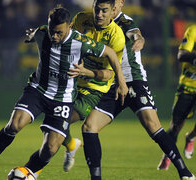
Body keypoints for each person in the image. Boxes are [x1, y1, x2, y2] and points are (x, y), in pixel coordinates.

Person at [0, 5, 127, 177]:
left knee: (51, 148)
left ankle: (29, 172)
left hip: (63, 99)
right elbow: (37, 33)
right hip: (38, 89)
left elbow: (112, 54)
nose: (54, 36)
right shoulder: (42, 33)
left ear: (69, 27)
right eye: (52, 31)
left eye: (59, 33)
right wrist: (32, 36)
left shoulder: (81, 43)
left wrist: (121, 82)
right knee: (15, 124)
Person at [81, 1, 196, 180]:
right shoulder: (94, 22)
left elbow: (135, 34)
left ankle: (185, 172)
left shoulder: (126, 22)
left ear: (117, 5)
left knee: (153, 127)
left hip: (134, 81)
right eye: (99, 9)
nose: (102, 13)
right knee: (89, 127)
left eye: (109, 7)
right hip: (113, 85)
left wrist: (139, 40)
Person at [60, 0, 126, 172]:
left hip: (93, 88)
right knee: (54, 121)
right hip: (72, 80)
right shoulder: (82, 19)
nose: (99, 15)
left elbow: (108, 75)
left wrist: (85, 72)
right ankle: (71, 145)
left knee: (61, 121)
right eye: (97, 10)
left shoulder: (117, 36)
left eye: (104, 11)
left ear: (113, 11)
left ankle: (33, 171)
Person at [157, 24, 196, 170]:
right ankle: (167, 155)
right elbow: (181, 55)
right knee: (175, 126)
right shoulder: (193, 30)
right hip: (188, 85)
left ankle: (190, 137)